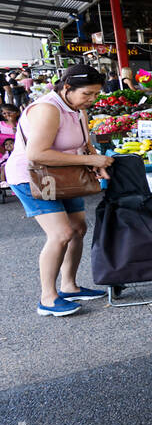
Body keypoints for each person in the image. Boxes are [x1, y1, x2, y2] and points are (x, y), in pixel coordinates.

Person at [6, 64, 114, 316]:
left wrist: (96, 161)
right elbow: (37, 153)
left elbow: (85, 145)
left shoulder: (76, 109)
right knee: (61, 233)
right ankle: (48, 298)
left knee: (78, 229)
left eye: (96, 94)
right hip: (33, 177)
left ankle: (69, 286)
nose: (92, 99)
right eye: (87, 94)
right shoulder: (47, 109)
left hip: (65, 174)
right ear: (67, 87)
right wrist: (90, 162)